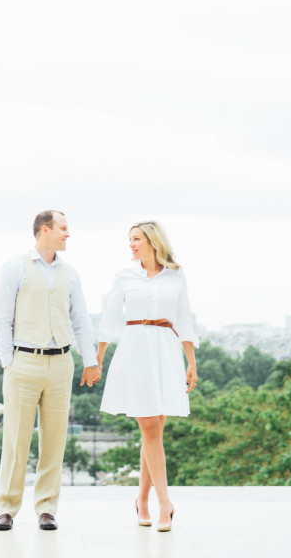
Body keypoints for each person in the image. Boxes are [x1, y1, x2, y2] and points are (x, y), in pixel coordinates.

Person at [0, 209, 100, 531]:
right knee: (16, 441)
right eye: (63, 228)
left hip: (60, 363)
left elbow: (80, 319)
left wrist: (90, 360)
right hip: (23, 362)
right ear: (44, 230)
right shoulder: (15, 268)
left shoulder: (71, 273)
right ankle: (7, 508)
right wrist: (7, 362)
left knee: (54, 441)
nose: (68, 234)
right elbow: (2, 318)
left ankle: (47, 509)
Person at [96, 220, 198, 532]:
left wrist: (191, 362)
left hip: (165, 351)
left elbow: (184, 319)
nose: (131, 244)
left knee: (154, 432)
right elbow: (111, 318)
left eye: (136, 238)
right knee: (150, 429)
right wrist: (97, 360)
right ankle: (165, 505)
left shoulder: (176, 275)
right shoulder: (124, 276)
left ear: (153, 241)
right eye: (130, 239)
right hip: (136, 350)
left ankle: (141, 499)